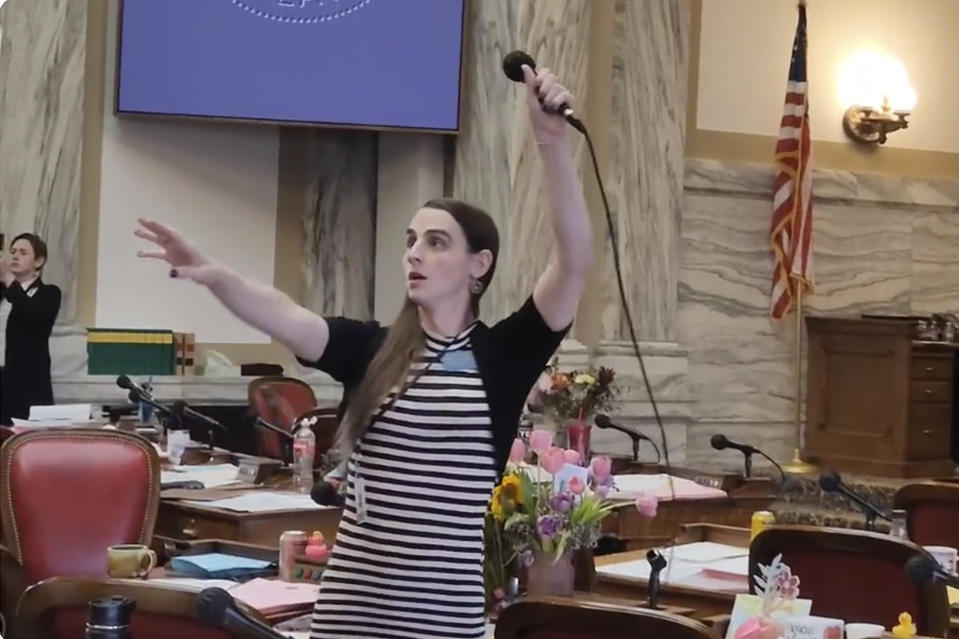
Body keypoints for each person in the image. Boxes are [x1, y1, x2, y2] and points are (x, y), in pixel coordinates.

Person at [136, 65, 592, 639]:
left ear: (480, 266)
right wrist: (214, 274)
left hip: (442, 620)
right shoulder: (372, 348)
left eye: (436, 241)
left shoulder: (502, 356)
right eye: (410, 241)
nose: (415, 254)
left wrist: (550, 142)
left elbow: (573, 261)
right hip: (349, 614)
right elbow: (286, 315)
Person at [0, 233, 62, 424]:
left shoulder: (49, 293)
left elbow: (34, 316)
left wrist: (11, 281)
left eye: (23, 252)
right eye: (13, 252)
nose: (15, 256)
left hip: (27, 384)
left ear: (39, 261)